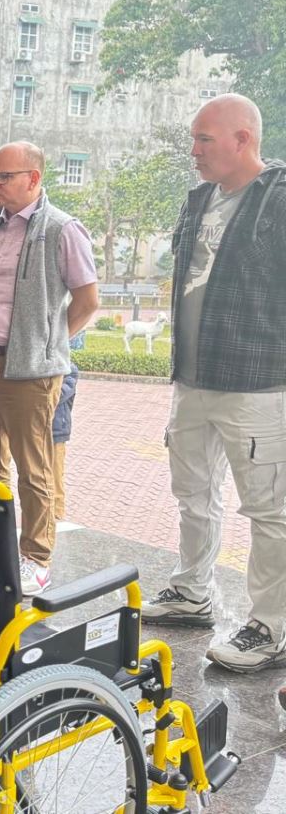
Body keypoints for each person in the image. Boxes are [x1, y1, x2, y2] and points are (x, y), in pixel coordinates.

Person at [141, 93, 286, 673]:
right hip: (193, 379)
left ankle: (271, 627)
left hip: (256, 385)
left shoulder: (277, 199)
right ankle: (192, 592)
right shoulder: (198, 198)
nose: (194, 151)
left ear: (242, 139)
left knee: (268, 510)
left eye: (204, 139)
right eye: (194, 140)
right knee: (193, 493)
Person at [0, 141, 99, 596]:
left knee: (33, 470)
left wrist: (46, 344)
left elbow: (87, 300)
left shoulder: (62, 229)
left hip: (30, 373)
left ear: (33, 179)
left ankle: (36, 557)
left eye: (5, 177)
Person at [51, 362, 79, 522]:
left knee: (56, 473)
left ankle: (57, 512)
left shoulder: (70, 370)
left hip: (57, 430)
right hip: (37, 429)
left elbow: (59, 394)